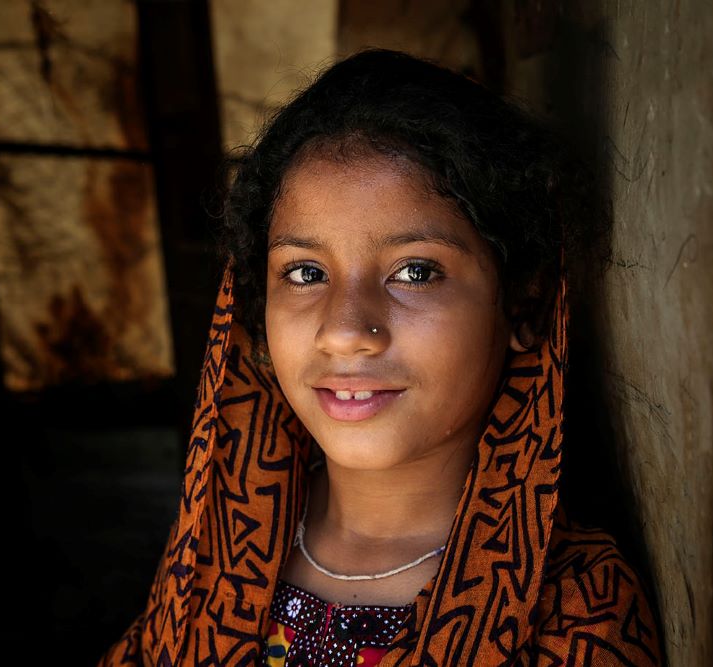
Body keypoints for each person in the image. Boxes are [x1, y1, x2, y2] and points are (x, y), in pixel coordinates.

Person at [99, 49, 661, 666]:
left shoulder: (573, 608)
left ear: (522, 303)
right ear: (257, 312)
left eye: (415, 272)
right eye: (305, 271)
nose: (346, 331)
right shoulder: (211, 553)